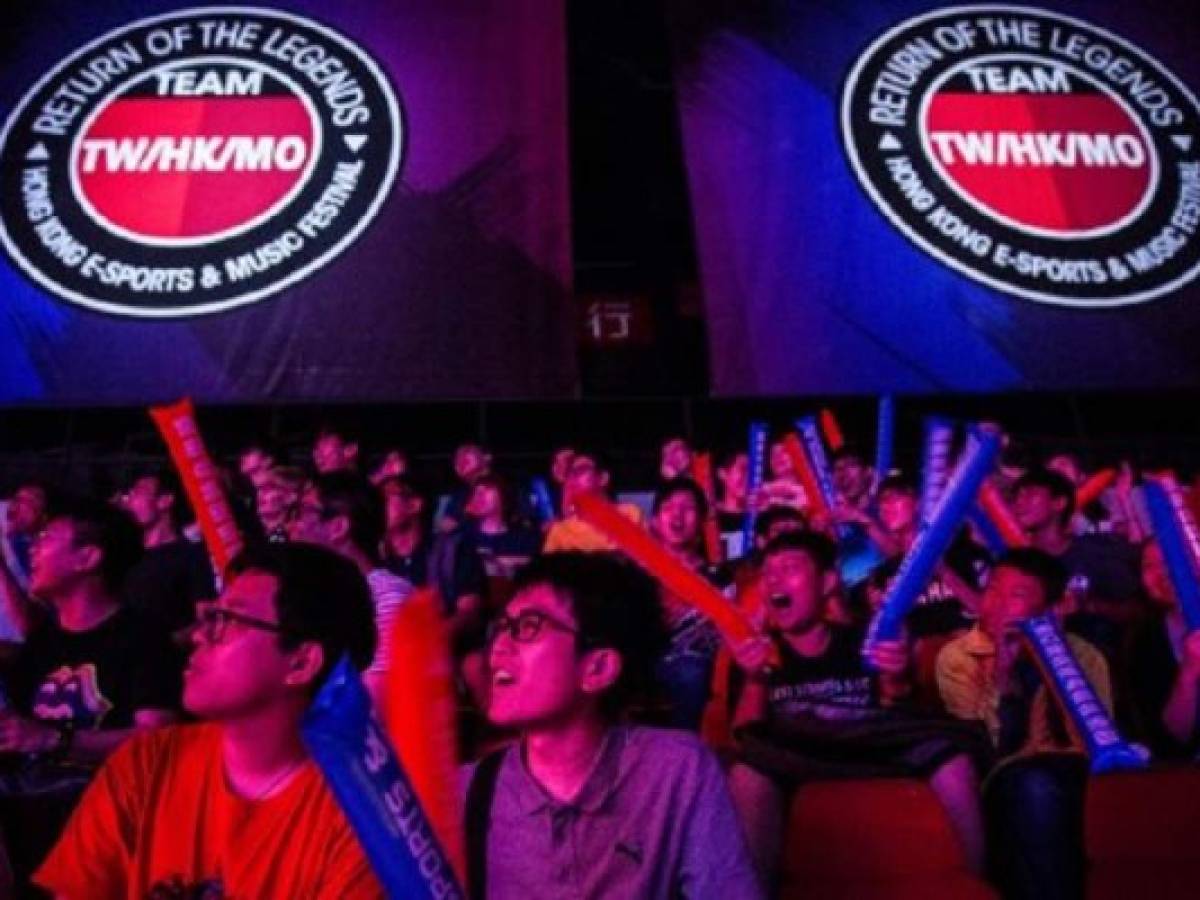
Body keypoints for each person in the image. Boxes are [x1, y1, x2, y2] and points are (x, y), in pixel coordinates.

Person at [34, 542, 384, 898]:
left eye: (226, 620)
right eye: (209, 617)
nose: (199, 636)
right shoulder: (147, 763)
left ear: (301, 662)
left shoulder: (361, 818)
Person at [465, 551, 763, 899]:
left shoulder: (677, 771)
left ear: (598, 669)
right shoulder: (469, 792)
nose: (499, 647)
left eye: (528, 627)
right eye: (500, 628)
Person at [725, 532, 985, 887]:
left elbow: (896, 709)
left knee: (954, 758)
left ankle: (977, 881)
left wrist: (897, 675)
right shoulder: (755, 651)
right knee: (746, 773)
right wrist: (754, 678)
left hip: (868, 750)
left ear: (827, 582)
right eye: (768, 573)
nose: (775, 580)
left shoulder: (863, 639)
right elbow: (744, 736)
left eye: (789, 568)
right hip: (799, 756)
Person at [0, 498, 181, 890]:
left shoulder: (143, 637)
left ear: (88, 557)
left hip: (100, 827)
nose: (32, 546)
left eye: (46, 537)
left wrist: (54, 739)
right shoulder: (44, 642)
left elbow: (157, 739)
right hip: (29, 816)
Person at [936, 548, 1112, 900]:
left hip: (1074, 770)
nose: (996, 603)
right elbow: (982, 748)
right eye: (993, 590)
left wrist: (1054, 658)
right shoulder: (958, 655)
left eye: (1015, 595)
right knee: (1035, 787)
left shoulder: (1084, 654)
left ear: (1050, 608)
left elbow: (1099, 741)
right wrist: (1002, 678)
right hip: (1002, 775)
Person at [287, 473, 410, 703]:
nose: (292, 525)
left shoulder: (386, 597)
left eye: (303, 512)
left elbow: (376, 699)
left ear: (338, 527)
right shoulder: (311, 596)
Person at [1012, 467, 1141, 656]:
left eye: (1031, 494)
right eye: (1018, 496)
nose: (1020, 503)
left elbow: (1136, 610)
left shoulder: (1095, 552)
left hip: (1093, 667)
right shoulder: (1015, 562)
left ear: (1059, 503)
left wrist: (1087, 605)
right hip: (1033, 667)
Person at [649, 479, 725, 730]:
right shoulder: (638, 569)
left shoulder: (718, 576)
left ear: (702, 523)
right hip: (653, 658)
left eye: (688, 508)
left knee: (695, 669)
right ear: (656, 520)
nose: (678, 514)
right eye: (669, 507)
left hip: (703, 661)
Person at [117, 467, 215, 639]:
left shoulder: (190, 555)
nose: (130, 499)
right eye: (130, 494)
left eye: (139, 492)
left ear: (165, 501)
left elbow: (205, 618)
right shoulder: (127, 555)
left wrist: (168, 643)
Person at [1124, 540, 1200, 758]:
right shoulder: (1144, 639)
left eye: (1171, 559)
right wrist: (1188, 672)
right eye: (1149, 565)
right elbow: (1168, 742)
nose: (1161, 573)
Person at [543, 449, 644, 553]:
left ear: (603, 478)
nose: (573, 478)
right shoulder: (560, 531)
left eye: (581, 470)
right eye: (570, 473)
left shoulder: (629, 514)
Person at [463, 474, 541, 581]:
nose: (479, 496)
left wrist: (510, 563)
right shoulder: (464, 538)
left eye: (487, 489)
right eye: (476, 492)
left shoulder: (524, 538)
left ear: (503, 495)